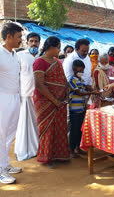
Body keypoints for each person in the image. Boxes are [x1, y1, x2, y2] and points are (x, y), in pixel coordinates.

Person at [33, 36, 70, 168]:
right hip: (46, 101)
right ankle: (46, 157)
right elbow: (39, 85)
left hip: (60, 102)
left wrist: (66, 95)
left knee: (60, 127)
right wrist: (54, 100)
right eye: (58, 47)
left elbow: (63, 80)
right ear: (50, 47)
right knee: (47, 129)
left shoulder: (57, 61)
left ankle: (60, 155)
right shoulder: (39, 62)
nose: (59, 50)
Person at [0, 22, 23, 184]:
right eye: (18, 37)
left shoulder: (15, 54)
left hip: (15, 97)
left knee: (9, 134)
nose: (21, 40)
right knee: (1, 135)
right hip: (3, 99)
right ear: (9, 37)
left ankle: (4, 164)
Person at [14, 32, 41, 162]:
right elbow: (16, 76)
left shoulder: (42, 57)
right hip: (25, 95)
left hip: (41, 97)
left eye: (36, 41)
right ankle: (25, 149)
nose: (34, 43)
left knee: (38, 124)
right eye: (31, 41)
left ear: (39, 43)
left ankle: (38, 148)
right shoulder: (20, 56)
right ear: (27, 42)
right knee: (25, 125)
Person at [69, 60, 100, 158]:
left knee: (79, 130)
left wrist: (93, 90)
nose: (81, 72)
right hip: (74, 110)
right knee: (74, 130)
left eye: (83, 70)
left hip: (81, 109)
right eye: (80, 70)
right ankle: (71, 149)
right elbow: (79, 93)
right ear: (74, 69)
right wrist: (92, 93)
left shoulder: (81, 80)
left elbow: (86, 88)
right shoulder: (72, 80)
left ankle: (78, 148)